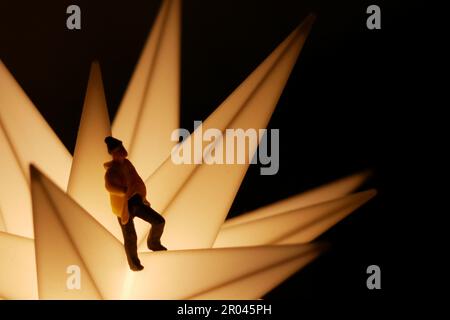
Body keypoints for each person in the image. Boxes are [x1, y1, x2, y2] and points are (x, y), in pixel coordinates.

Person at [104, 136, 167, 271]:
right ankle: (134, 264)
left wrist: (141, 193)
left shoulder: (127, 164)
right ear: (114, 153)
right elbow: (109, 186)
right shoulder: (111, 171)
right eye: (120, 149)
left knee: (159, 221)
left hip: (136, 201)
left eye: (122, 148)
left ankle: (153, 243)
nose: (123, 151)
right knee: (131, 237)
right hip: (123, 207)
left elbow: (135, 178)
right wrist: (123, 190)